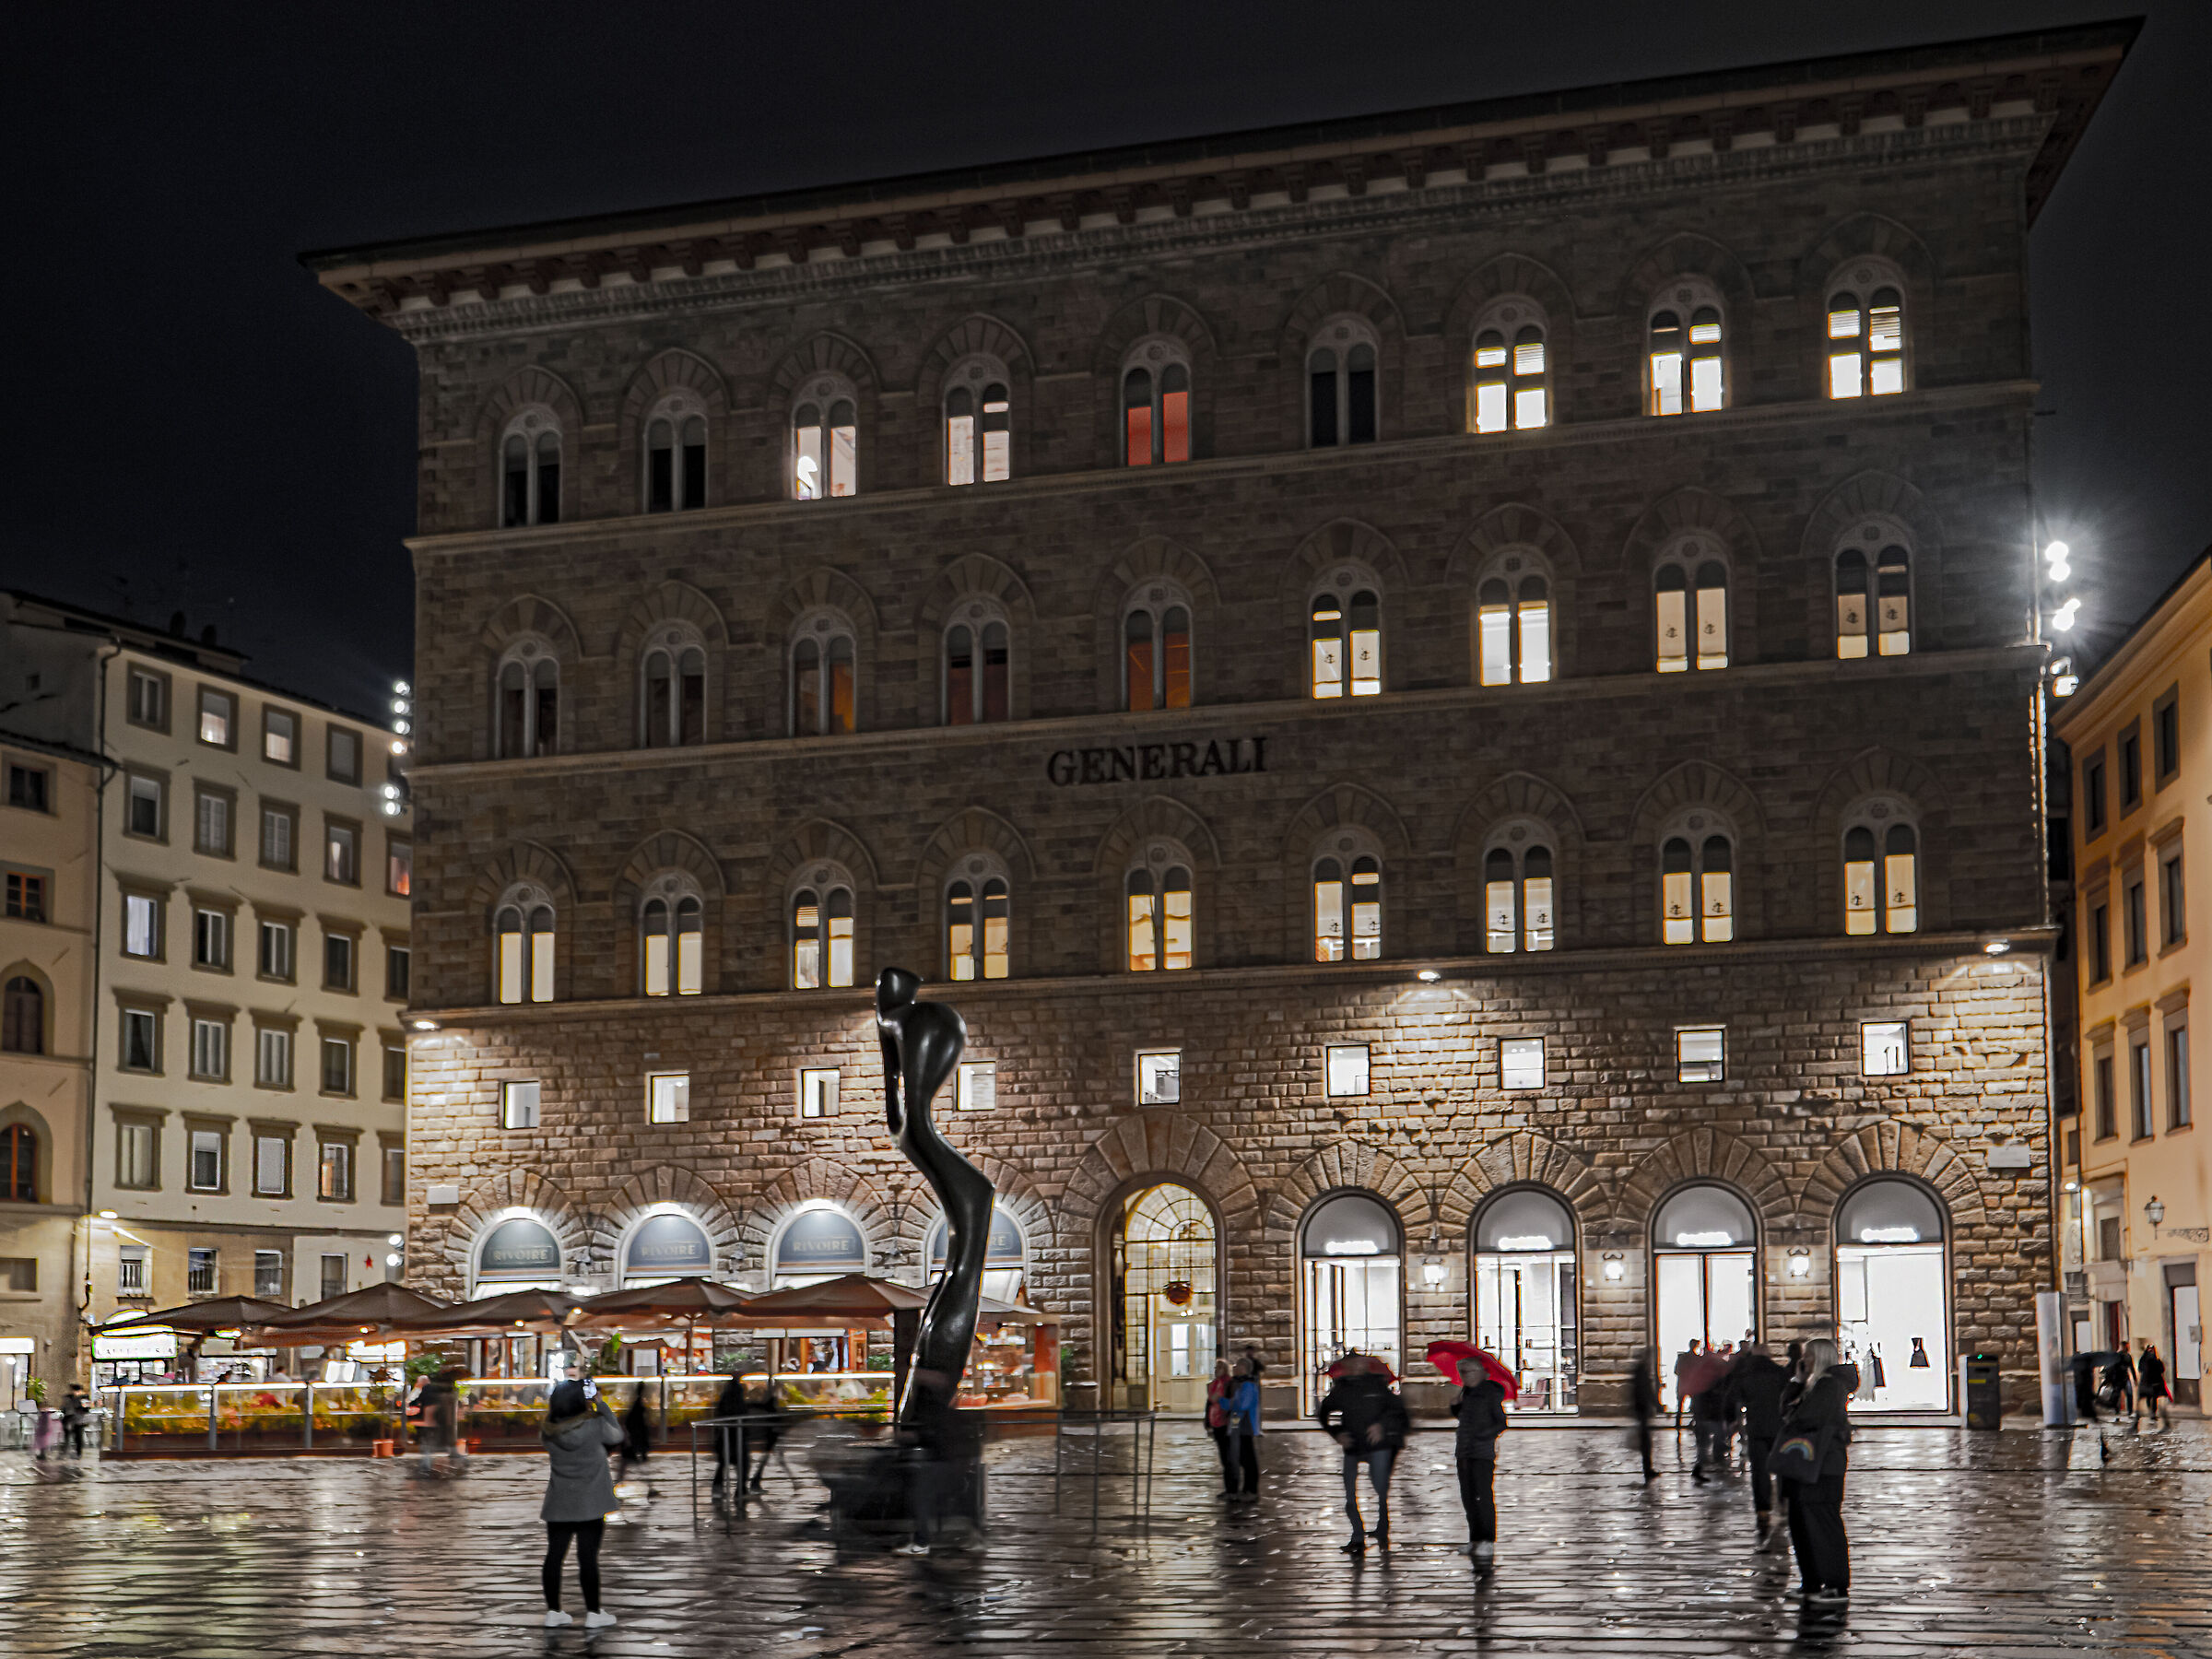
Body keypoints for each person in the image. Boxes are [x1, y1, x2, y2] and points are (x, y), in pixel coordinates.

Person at [538, 1377, 623, 1630]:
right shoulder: (595, 1425)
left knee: (554, 1556)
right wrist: (600, 1404)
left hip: (559, 1502)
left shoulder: (548, 1430)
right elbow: (617, 1434)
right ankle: (593, 1613)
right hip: (591, 1502)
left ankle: (554, 1611)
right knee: (588, 1558)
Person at [1779, 1337, 1856, 1610]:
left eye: (1809, 1356)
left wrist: (1795, 1410)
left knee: (1823, 1524)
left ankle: (1836, 1585)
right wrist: (1797, 1382)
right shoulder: (1813, 1384)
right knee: (1802, 1524)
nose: (1804, 1360)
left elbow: (1804, 1418)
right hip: (1805, 1464)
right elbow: (1785, 1411)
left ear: (1821, 1357)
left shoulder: (1829, 1386)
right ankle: (1811, 1582)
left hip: (1823, 1466)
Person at [1313, 1353, 1408, 1553]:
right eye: (1353, 1365)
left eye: (1359, 1365)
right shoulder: (1341, 1388)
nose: (1356, 1368)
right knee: (1350, 1493)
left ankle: (1382, 1527)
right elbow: (1324, 1413)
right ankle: (1357, 1536)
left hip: (1378, 1446)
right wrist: (1337, 1433)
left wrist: (1382, 1426)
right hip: (1353, 1445)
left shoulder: (1378, 1386)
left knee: (1380, 1489)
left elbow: (1398, 1412)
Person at [1451, 1356, 1509, 1568]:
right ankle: (1475, 1539)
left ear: (1478, 1373)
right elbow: (1463, 1417)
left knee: (1482, 1497)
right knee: (1468, 1498)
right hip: (1464, 1451)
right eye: (1462, 1372)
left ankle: (1487, 1540)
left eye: (1466, 1372)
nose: (1463, 1376)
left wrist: (1481, 1436)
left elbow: (1500, 1423)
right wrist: (1455, 1407)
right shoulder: (1467, 1392)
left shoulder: (1489, 1393)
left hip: (1481, 1453)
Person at [1726, 1341, 1789, 1531]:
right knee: (1783, 1466)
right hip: (1779, 1426)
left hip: (1757, 1427)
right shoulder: (1780, 1372)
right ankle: (1784, 1500)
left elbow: (1731, 1398)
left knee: (1760, 1470)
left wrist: (1732, 1419)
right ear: (1768, 1354)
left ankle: (1763, 1509)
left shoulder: (1745, 1374)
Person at [1225, 1358, 1262, 1501]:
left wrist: (1226, 1402)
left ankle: (1252, 1491)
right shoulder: (1240, 1383)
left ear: (1243, 1368)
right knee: (1244, 1458)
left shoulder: (1247, 1385)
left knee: (1248, 1459)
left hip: (1246, 1426)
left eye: (1236, 1366)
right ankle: (1247, 1489)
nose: (1234, 1368)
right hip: (1239, 1425)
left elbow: (1242, 1405)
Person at [710, 1372, 747, 1494]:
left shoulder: (725, 1396)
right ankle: (740, 1489)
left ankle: (718, 1487)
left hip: (726, 1435)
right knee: (741, 1463)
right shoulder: (737, 1397)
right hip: (735, 1435)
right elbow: (741, 1412)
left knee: (724, 1462)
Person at [1205, 1359, 1237, 1496]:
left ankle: (1233, 1489)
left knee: (1229, 1457)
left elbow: (1233, 1405)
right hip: (1216, 1423)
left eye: (1219, 1368)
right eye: (1215, 1368)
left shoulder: (1229, 1383)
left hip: (1226, 1423)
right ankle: (1228, 1488)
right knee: (1224, 1457)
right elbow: (1209, 1403)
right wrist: (1208, 1424)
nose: (1216, 1370)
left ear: (1225, 1369)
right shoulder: (1214, 1384)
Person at [1631, 1349, 1661, 1481]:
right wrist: (1657, 1405)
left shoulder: (1640, 1370)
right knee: (1646, 1443)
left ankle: (1648, 1468)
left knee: (1646, 1442)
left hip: (1641, 1409)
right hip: (1642, 1409)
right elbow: (1646, 1391)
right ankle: (1647, 1469)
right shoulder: (1642, 1371)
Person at [2136, 1342, 2171, 1430]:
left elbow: (2161, 1369)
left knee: (2154, 1398)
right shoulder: (2144, 1360)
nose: (2150, 1352)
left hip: (2155, 1382)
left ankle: (2153, 1413)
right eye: (2149, 1350)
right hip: (2147, 1382)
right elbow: (2140, 1369)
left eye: (2152, 1350)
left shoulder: (2156, 1360)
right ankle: (2151, 1412)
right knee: (2149, 1398)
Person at [621, 1382, 652, 1473]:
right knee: (640, 1446)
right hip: (639, 1429)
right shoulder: (639, 1401)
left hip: (637, 1429)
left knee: (638, 1445)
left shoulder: (636, 1401)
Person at [1673, 1340, 1701, 1430]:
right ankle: (1694, 1422)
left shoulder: (1683, 1357)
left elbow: (1676, 1371)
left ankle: (1678, 1423)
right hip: (1692, 1385)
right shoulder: (1697, 1358)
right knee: (1695, 1405)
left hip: (1683, 1384)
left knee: (1680, 1406)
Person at [60, 1384, 91, 1458]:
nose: (75, 1393)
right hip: (69, 1419)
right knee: (67, 1436)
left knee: (78, 1436)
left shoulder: (84, 1397)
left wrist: (80, 1406)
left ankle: (78, 1453)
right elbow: (63, 1408)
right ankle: (66, 1451)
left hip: (79, 1420)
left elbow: (86, 1409)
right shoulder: (68, 1397)